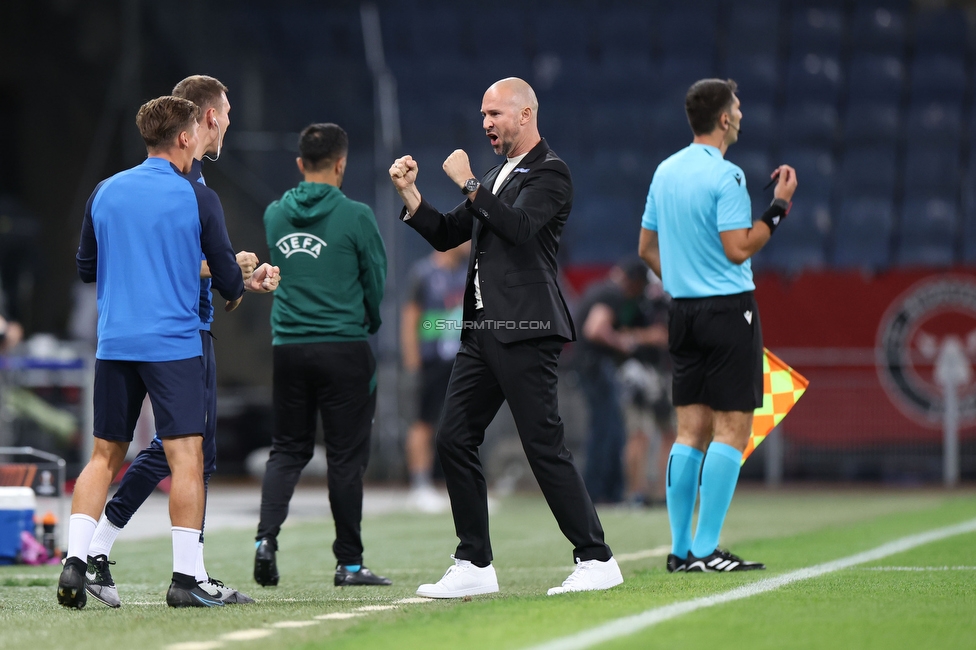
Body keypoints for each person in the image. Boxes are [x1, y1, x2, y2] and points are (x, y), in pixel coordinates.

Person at [389, 77, 622, 598]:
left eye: (495, 114)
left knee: (543, 446)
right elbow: (450, 233)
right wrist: (411, 195)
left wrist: (470, 184)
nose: (487, 123)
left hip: (525, 328)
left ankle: (596, 557)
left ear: (525, 114)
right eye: (483, 116)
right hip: (482, 330)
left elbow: (517, 227)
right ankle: (474, 561)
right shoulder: (498, 173)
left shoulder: (551, 172)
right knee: (453, 437)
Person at [61, 95, 275, 609]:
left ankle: (74, 562)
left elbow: (87, 269)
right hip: (173, 342)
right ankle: (186, 578)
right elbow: (227, 280)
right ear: (184, 137)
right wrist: (242, 280)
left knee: (103, 455)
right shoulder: (197, 198)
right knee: (186, 457)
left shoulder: (105, 191)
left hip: (114, 342)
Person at [638, 78, 797, 573]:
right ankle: (707, 549)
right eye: (738, 106)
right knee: (732, 428)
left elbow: (645, 249)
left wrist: (683, 282)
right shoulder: (726, 177)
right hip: (729, 311)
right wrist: (779, 208)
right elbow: (738, 248)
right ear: (724, 118)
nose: (743, 113)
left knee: (689, 431)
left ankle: (681, 549)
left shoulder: (664, 172)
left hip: (682, 311)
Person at [253, 123, 390, 589]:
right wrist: (368, 323)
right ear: (341, 164)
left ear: (299, 164)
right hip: (343, 347)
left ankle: (264, 540)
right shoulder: (357, 216)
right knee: (345, 459)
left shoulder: (275, 215)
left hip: (288, 348)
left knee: (287, 451)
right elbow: (376, 282)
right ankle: (349, 565)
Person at [573, 257, 667, 505]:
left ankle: (600, 491)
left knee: (605, 427)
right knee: (608, 429)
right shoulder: (613, 293)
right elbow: (595, 328)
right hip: (596, 366)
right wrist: (622, 343)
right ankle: (598, 491)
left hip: (586, 365)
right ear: (634, 282)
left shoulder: (599, 288)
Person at [400, 243, 470, 514]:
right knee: (423, 422)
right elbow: (410, 318)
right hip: (430, 361)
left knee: (462, 423)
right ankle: (419, 486)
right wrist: (412, 360)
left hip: (459, 360)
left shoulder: (465, 273)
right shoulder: (423, 273)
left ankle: (464, 489)